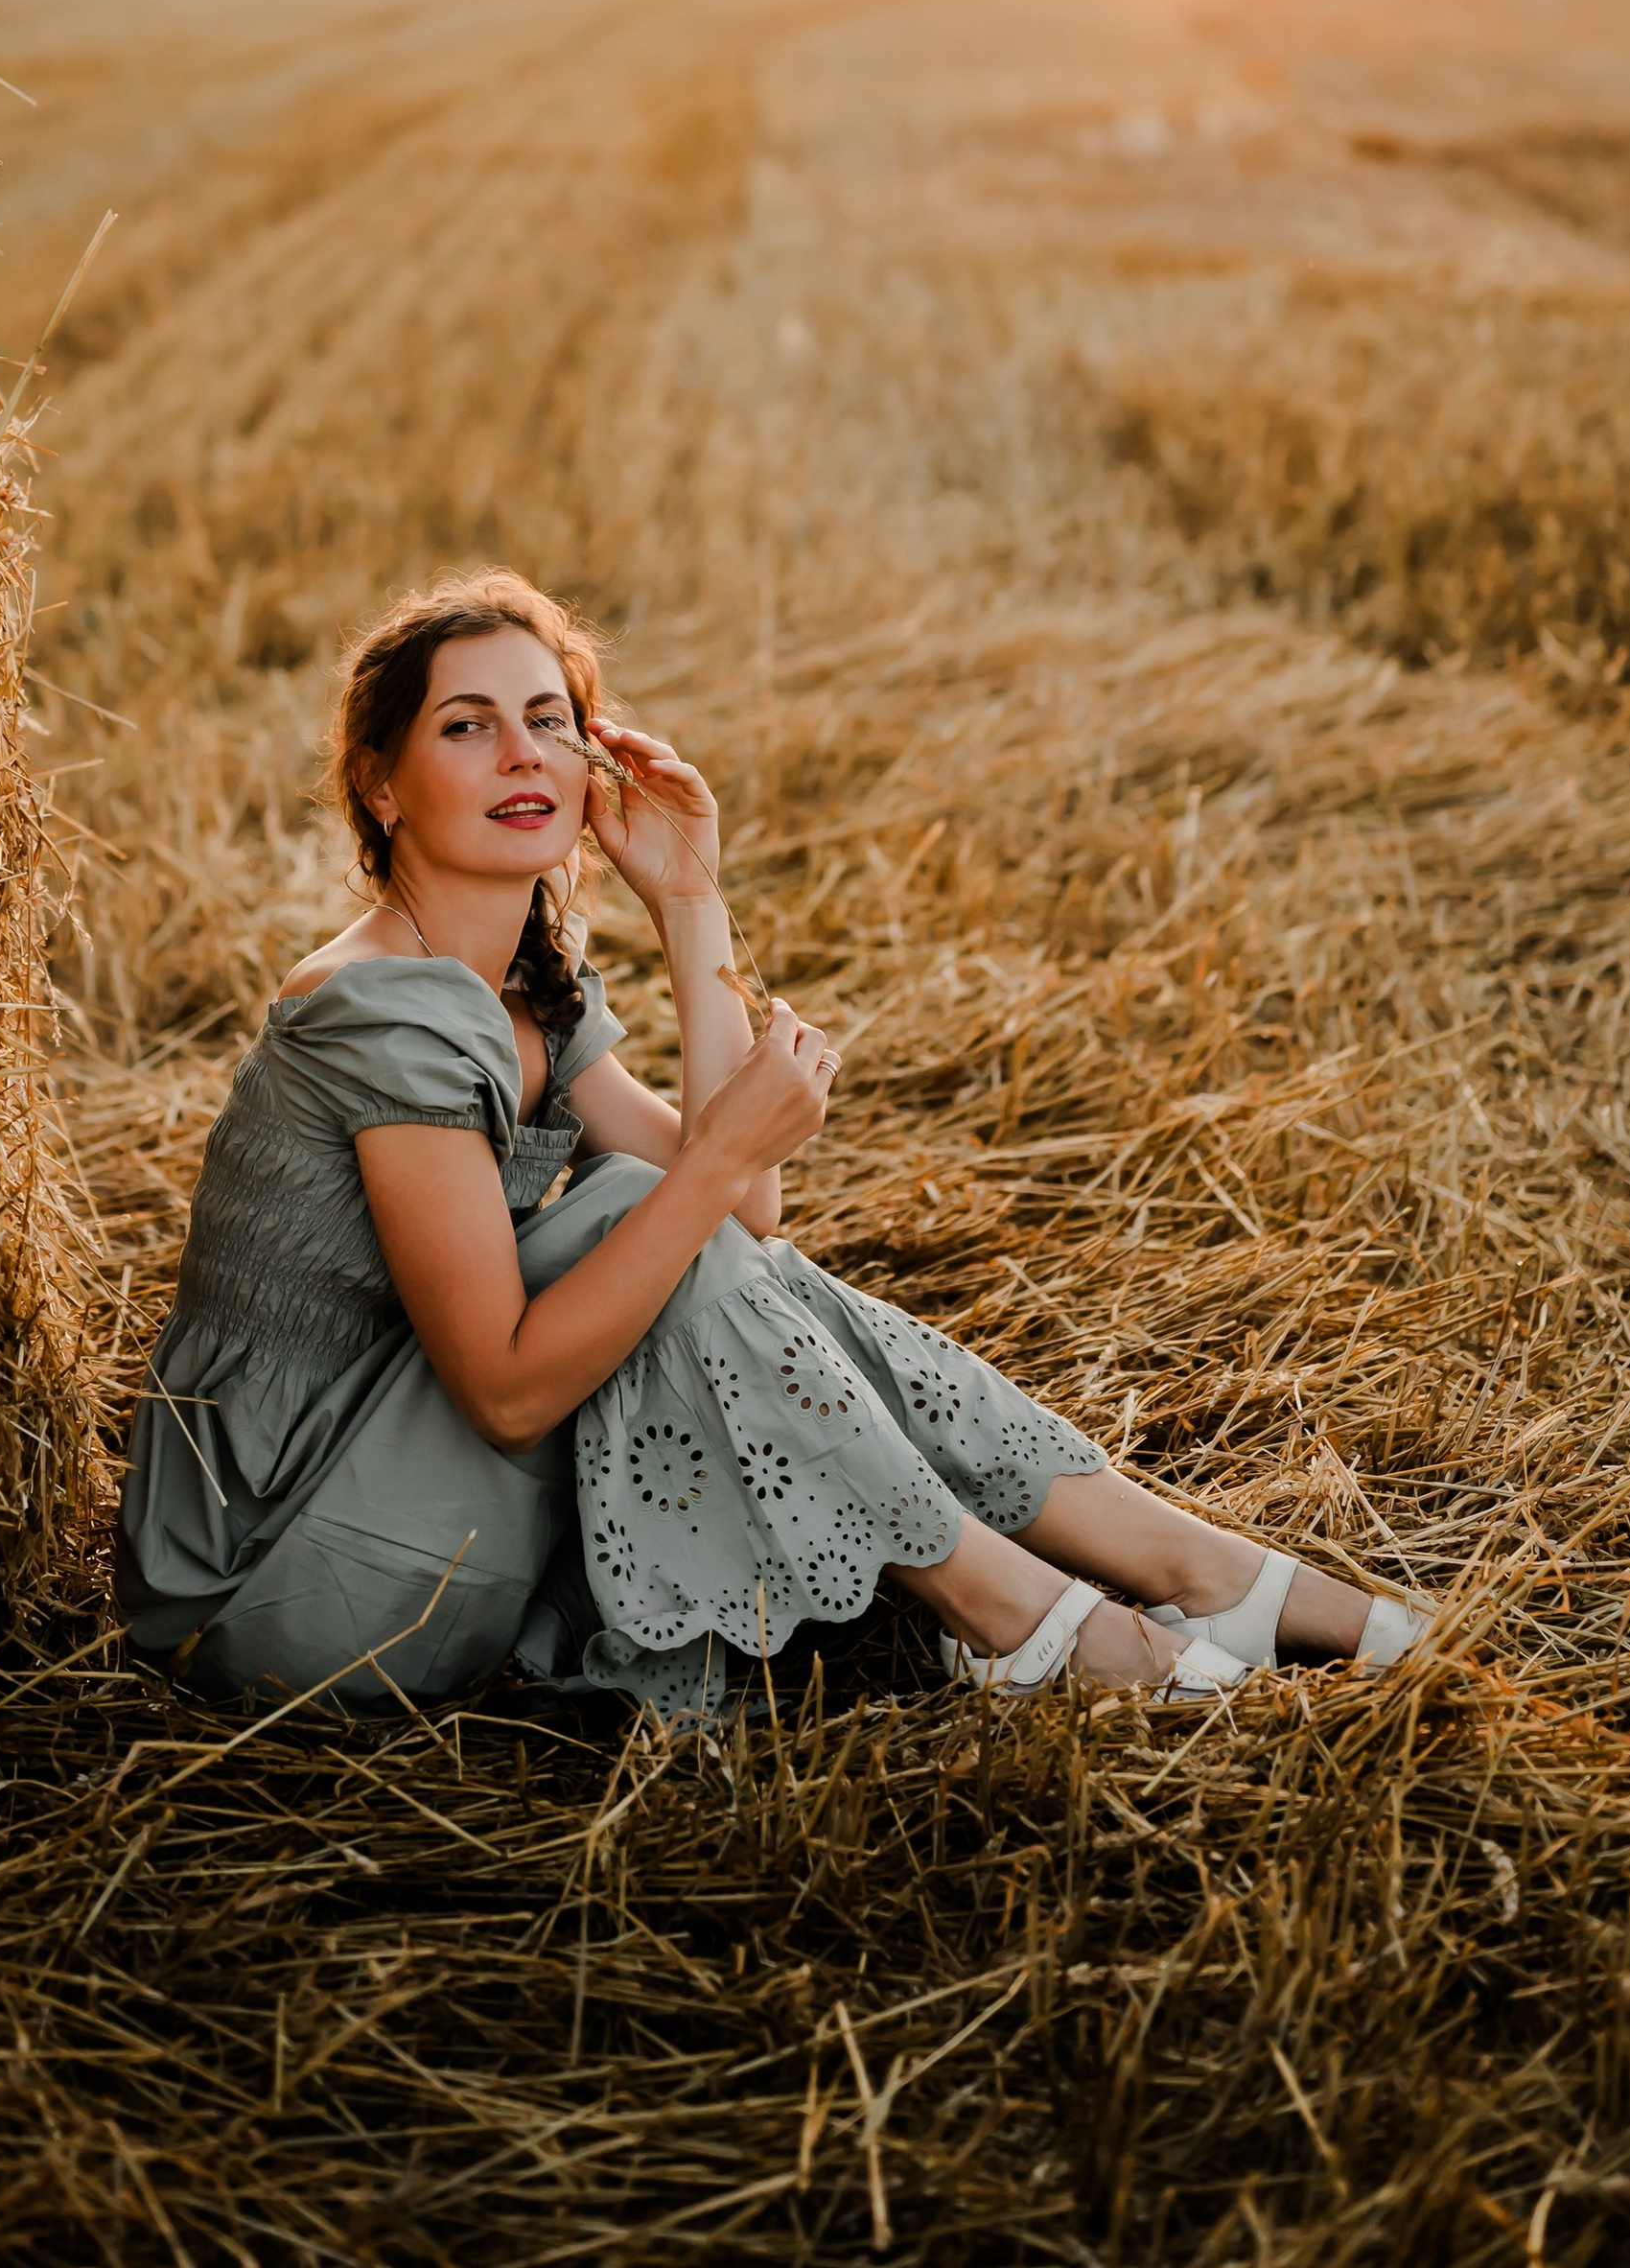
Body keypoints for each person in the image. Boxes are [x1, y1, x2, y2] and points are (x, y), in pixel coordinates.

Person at [117, 573, 1429, 1717]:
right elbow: (515, 1387)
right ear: (381, 783)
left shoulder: (523, 990)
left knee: (658, 1217)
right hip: (278, 1579)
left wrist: (692, 901)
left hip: (394, 1502)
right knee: (639, 1207)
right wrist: (705, 1163)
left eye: (550, 723)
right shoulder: (380, 1013)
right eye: (469, 727)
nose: (523, 756)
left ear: (593, 767)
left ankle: (1196, 1580)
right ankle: (1036, 1619)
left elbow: (746, 1232)